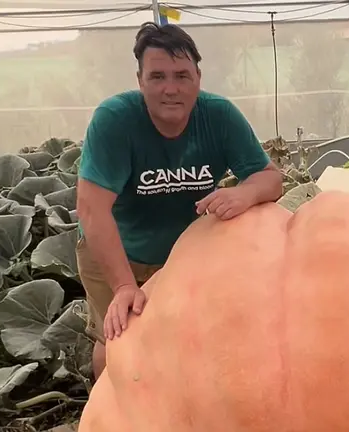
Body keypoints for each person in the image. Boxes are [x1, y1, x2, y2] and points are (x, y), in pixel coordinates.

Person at [75, 22, 283, 379]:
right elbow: (92, 211)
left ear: (198, 78)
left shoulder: (219, 116)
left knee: (189, 340)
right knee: (118, 343)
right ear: (139, 80)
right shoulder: (115, 120)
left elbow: (271, 177)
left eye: (182, 75)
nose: (171, 89)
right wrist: (124, 285)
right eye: (157, 77)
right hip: (117, 249)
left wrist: (244, 192)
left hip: (187, 252)